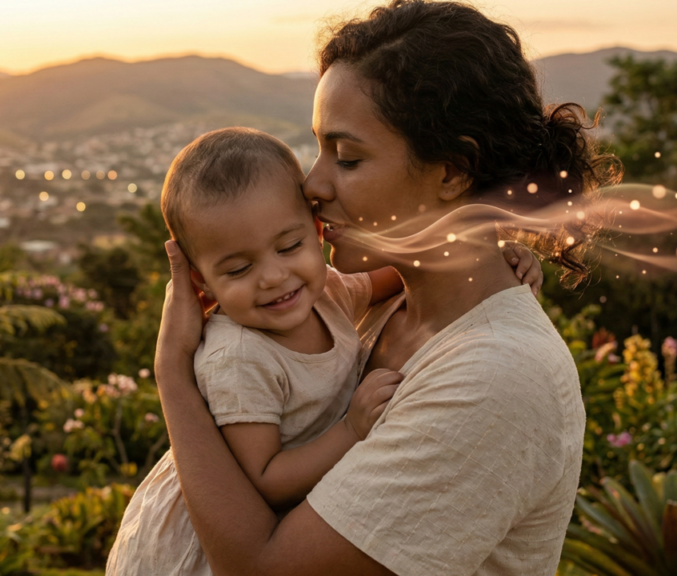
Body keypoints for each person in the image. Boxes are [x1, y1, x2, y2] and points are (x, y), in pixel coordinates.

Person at [151, 1, 620, 575]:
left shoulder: (496, 377)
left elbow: (262, 569)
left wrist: (173, 372)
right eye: (318, 148)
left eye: (347, 158)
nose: (313, 185)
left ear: (452, 171)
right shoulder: (383, 304)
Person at [107, 128, 542, 575]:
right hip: (192, 551)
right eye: (238, 269)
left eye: (290, 246)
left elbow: (408, 272)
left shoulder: (327, 293)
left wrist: (495, 255)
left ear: (316, 232)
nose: (274, 277)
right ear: (200, 282)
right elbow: (267, 480)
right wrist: (351, 430)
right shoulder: (238, 356)